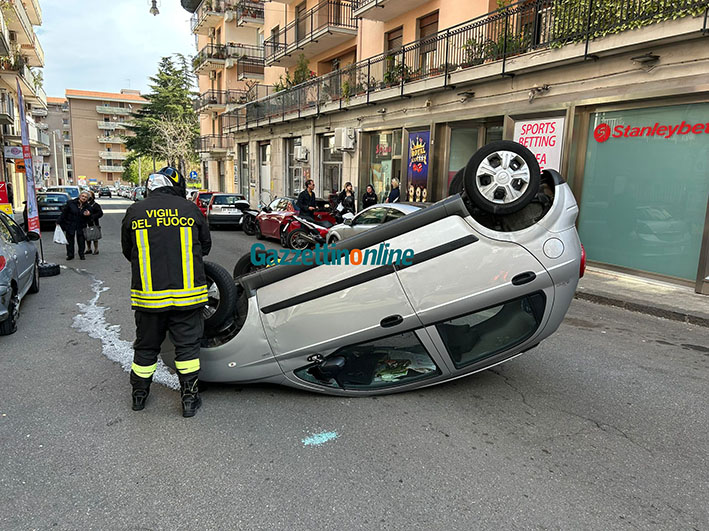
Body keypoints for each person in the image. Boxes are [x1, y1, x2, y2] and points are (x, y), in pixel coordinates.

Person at [121, 167, 212, 418]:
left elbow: (128, 251)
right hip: (188, 297)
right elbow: (205, 246)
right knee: (187, 349)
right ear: (177, 185)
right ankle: (189, 400)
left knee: (146, 347)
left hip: (148, 299)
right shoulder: (189, 209)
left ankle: (139, 396)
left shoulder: (135, 211)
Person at [57, 190, 92, 260]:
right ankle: (70, 254)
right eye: (83, 196)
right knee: (70, 240)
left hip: (81, 225)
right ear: (79, 196)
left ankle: (81, 254)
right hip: (70, 224)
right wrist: (59, 221)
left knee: (81, 241)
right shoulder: (71, 203)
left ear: (87, 199)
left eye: (86, 197)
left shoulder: (88, 206)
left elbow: (90, 217)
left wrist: (88, 214)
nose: (84, 198)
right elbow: (64, 213)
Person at [85, 191, 103, 255]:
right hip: (86, 223)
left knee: (95, 236)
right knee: (87, 236)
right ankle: (89, 249)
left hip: (94, 223)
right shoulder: (84, 204)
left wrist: (93, 216)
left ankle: (96, 249)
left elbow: (100, 213)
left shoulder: (95, 205)